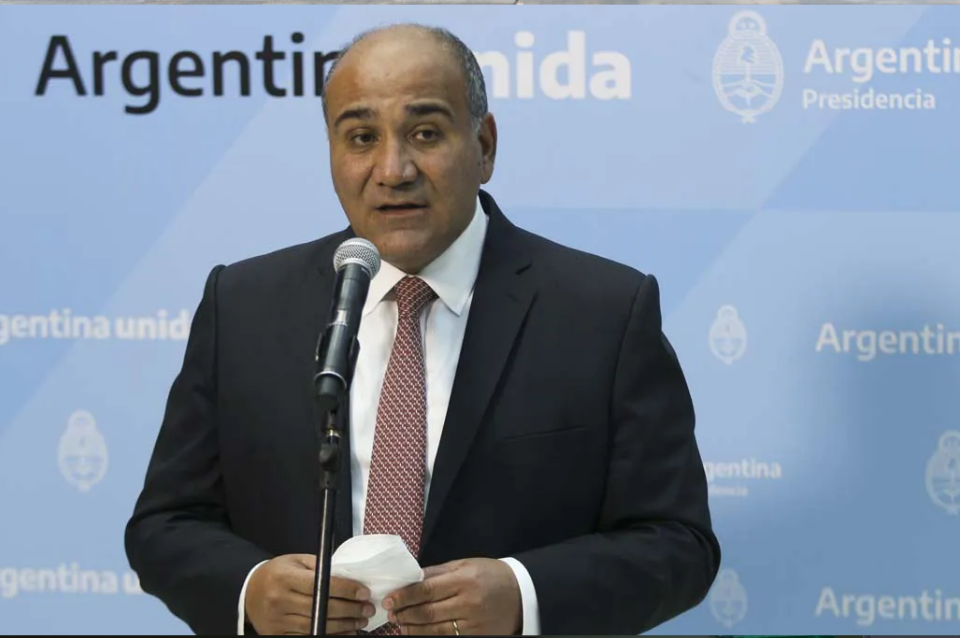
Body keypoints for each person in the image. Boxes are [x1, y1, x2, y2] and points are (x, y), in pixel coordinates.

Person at [125, 23, 720, 636]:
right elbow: (165, 525)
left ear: (484, 147)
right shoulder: (243, 306)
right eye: (361, 138)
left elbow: (679, 543)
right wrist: (250, 589)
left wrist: (525, 594)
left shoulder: (604, 312)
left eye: (426, 133)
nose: (393, 169)